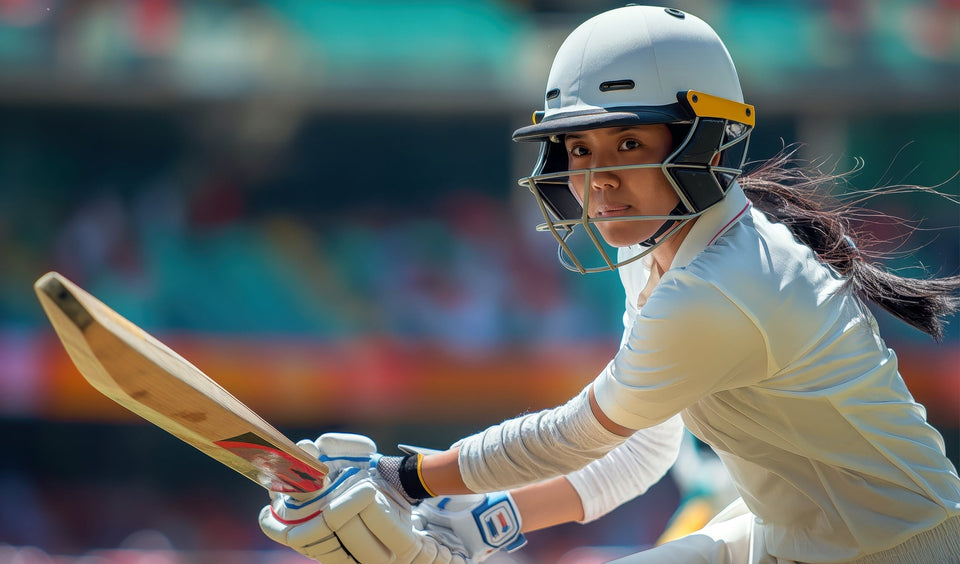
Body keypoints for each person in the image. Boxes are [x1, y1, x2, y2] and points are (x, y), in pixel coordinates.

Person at [258, 5, 960, 563]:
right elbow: (643, 447)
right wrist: (492, 517)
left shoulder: (717, 285)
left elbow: (580, 435)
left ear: (704, 143)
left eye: (628, 144)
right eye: (580, 149)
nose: (597, 180)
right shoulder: (658, 244)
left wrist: (402, 477)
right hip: (788, 531)